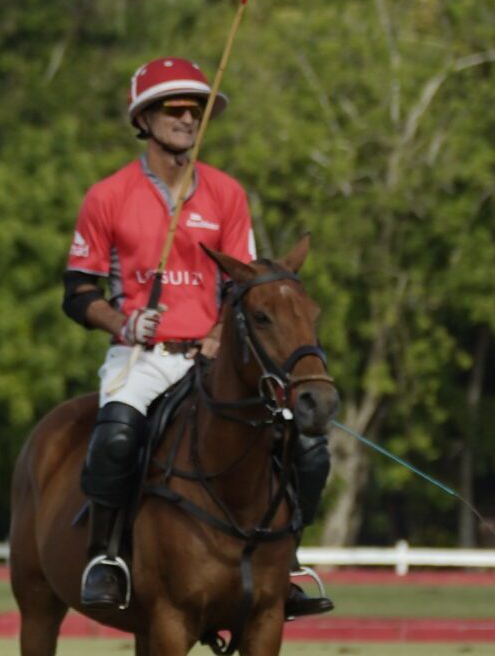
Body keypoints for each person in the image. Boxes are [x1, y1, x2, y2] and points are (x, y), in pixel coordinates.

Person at [63, 56, 333, 613]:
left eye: (197, 111)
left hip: (216, 358)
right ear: (144, 119)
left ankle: (287, 558)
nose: (188, 119)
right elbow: (78, 292)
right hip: (141, 356)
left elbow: (249, 284)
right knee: (116, 436)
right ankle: (107, 557)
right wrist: (123, 322)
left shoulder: (227, 195)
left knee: (305, 444)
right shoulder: (107, 197)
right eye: (174, 109)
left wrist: (216, 334)